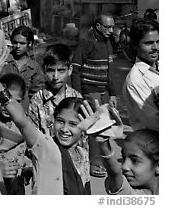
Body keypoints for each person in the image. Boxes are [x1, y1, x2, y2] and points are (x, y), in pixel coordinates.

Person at [0, 52, 91, 195]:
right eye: (60, 122)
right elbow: (21, 121)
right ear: (53, 120)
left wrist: (104, 144)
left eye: (73, 124)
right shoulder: (45, 146)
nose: (65, 129)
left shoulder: (83, 154)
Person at [72, 12, 116, 177]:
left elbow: (110, 71)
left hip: (104, 93)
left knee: (106, 126)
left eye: (112, 27)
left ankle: (102, 160)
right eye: (107, 27)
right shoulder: (86, 43)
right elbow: (75, 70)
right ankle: (95, 164)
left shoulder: (107, 43)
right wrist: (78, 94)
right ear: (98, 26)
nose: (111, 30)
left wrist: (112, 94)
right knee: (95, 128)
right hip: (90, 92)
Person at [0, 73, 30, 195]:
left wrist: (27, 163)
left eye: (15, 101)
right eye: (3, 99)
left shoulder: (24, 124)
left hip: (17, 185)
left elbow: (30, 151)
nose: (7, 106)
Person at [29, 43, 82, 137]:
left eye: (61, 70)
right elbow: (33, 137)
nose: (55, 77)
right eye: (51, 70)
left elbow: (82, 136)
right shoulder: (37, 100)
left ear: (69, 70)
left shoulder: (76, 98)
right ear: (44, 70)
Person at [122, 18, 159, 131]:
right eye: (148, 43)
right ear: (135, 45)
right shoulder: (135, 80)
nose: (155, 48)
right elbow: (155, 123)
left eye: (158, 41)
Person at [1, 26, 45, 105]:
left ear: (29, 43)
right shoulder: (3, 62)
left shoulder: (34, 67)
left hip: (24, 110)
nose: (18, 46)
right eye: (15, 42)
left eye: (22, 43)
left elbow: (36, 92)